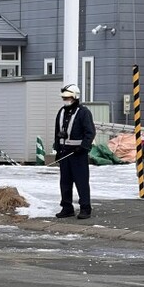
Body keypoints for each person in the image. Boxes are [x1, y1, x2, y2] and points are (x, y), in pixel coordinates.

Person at [53, 83, 96, 219]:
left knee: (81, 182)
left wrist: (83, 147)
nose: (66, 100)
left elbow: (90, 132)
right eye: (64, 98)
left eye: (68, 97)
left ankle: (85, 208)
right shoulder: (61, 112)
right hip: (65, 152)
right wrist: (58, 151)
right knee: (65, 182)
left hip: (78, 154)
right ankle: (67, 207)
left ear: (75, 97)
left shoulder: (83, 113)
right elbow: (57, 133)